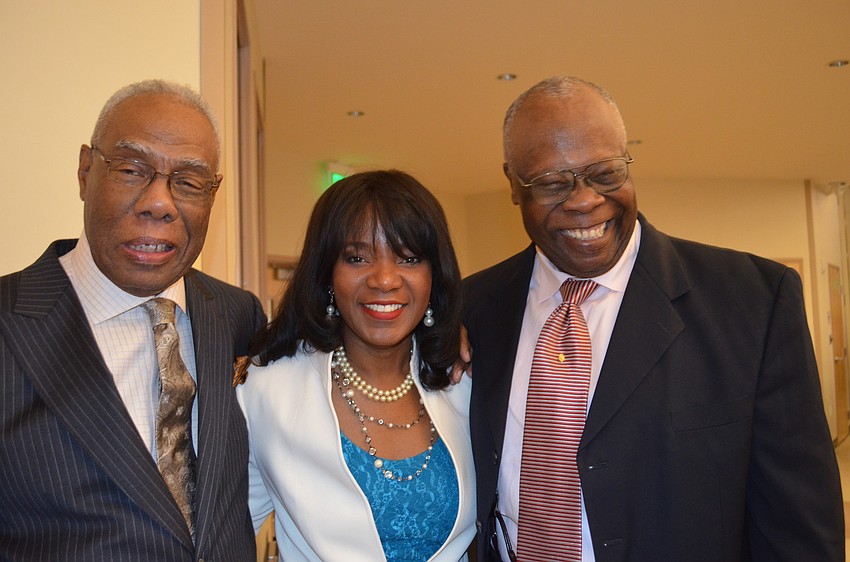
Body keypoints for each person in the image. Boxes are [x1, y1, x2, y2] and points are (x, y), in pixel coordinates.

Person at [463, 75, 844, 561]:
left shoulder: (754, 302)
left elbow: (801, 531)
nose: (584, 201)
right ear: (513, 186)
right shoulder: (469, 309)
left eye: (604, 174)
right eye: (553, 183)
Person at [0, 80, 266, 561]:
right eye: (131, 169)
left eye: (187, 182)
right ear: (85, 171)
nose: (159, 202)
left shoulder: (238, 317)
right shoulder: (9, 321)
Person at [236, 170, 476, 561]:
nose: (384, 279)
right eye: (357, 258)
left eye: (409, 258)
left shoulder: (465, 382)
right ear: (328, 274)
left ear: (434, 275)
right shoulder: (265, 394)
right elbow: (223, 532)